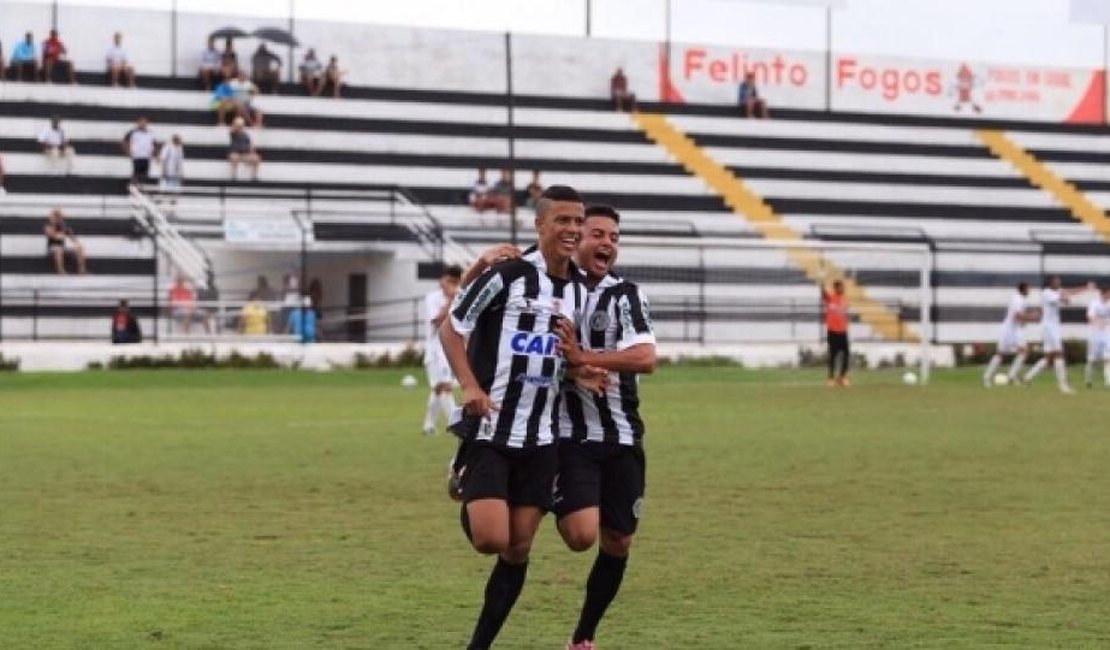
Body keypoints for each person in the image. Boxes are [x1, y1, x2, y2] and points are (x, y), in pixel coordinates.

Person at [438, 185, 589, 650]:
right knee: (489, 539)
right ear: (539, 225)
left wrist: (585, 371)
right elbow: (452, 327)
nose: (572, 230)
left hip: (543, 436)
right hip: (492, 427)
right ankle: (465, 476)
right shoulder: (509, 275)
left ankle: (478, 646)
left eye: (577, 222)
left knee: (517, 547)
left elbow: (568, 356)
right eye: (562, 220)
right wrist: (470, 386)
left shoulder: (582, 289)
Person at [553, 204, 656, 650]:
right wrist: (571, 371)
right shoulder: (552, 289)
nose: (607, 243)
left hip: (623, 436)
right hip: (570, 436)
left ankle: (583, 637)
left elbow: (645, 358)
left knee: (619, 539)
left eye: (614, 236)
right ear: (578, 239)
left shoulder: (626, 296)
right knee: (580, 536)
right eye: (598, 234)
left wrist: (585, 358)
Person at [1022, 276, 1093, 393]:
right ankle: (1063, 385)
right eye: (1056, 282)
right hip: (1049, 328)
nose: (1058, 284)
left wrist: (1085, 288)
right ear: (1050, 283)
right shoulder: (1047, 293)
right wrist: (1065, 298)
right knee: (1059, 354)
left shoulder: (1056, 291)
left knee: (1049, 357)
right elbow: (1062, 297)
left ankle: (1027, 377)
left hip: (1052, 327)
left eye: (1059, 282)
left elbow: (1069, 292)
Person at [421, 264, 463, 436]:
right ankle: (457, 424)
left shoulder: (460, 296)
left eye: (456, 282)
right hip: (435, 350)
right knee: (444, 387)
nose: (452, 285)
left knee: (439, 388)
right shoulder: (433, 298)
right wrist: (450, 299)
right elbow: (437, 321)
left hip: (451, 348)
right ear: (442, 281)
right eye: (450, 281)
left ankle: (428, 425)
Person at [982, 282, 1036, 387]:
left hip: (1016, 330)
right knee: (1000, 354)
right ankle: (986, 377)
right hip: (1008, 330)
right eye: (1028, 289)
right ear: (1023, 289)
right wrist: (1032, 317)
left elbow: (1020, 317)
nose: (1030, 291)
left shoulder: (1023, 300)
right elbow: (1017, 315)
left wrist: (1027, 319)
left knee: (1024, 351)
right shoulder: (1017, 299)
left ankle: (1011, 376)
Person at [822, 279, 850, 387]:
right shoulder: (830, 298)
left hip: (843, 331)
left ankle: (842, 377)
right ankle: (830, 378)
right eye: (841, 287)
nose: (843, 289)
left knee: (846, 354)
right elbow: (824, 294)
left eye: (843, 287)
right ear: (836, 288)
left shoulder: (844, 299)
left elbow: (843, 314)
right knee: (833, 355)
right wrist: (821, 283)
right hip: (832, 331)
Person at [44, 208, 87, 274]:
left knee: (79, 248)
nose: (57, 218)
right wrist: (54, 225)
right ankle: (61, 270)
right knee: (58, 249)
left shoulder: (64, 226)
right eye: (55, 216)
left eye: (58, 216)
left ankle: (82, 269)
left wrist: (67, 231)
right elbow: (52, 235)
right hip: (52, 248)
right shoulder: (48, 226)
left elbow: (73, 239)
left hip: (63, 247)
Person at [1084, 286, 1110, 389]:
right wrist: (1097, 322)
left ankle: (1108, 382)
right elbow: (1090, 316)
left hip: (1107, 333)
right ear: (1103, 294)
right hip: (1095, 334)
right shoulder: (1094, 304)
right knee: (1092, 360)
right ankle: (1088, 380)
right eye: (1108, 293)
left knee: (1108, 358)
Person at [121, 116, 157, 184]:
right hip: (137, 156)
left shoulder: (150, 133)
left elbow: (154, 144)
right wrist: (127, 151)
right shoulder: (133, 132)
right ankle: (133, 188)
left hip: (146, 157)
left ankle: (142, 189)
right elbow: (124, 141)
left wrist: (154, 154)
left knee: (145, 175)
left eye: (145, 122)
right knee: (136, 174)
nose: (143, 124)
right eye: (141, 122)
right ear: (138, 123)